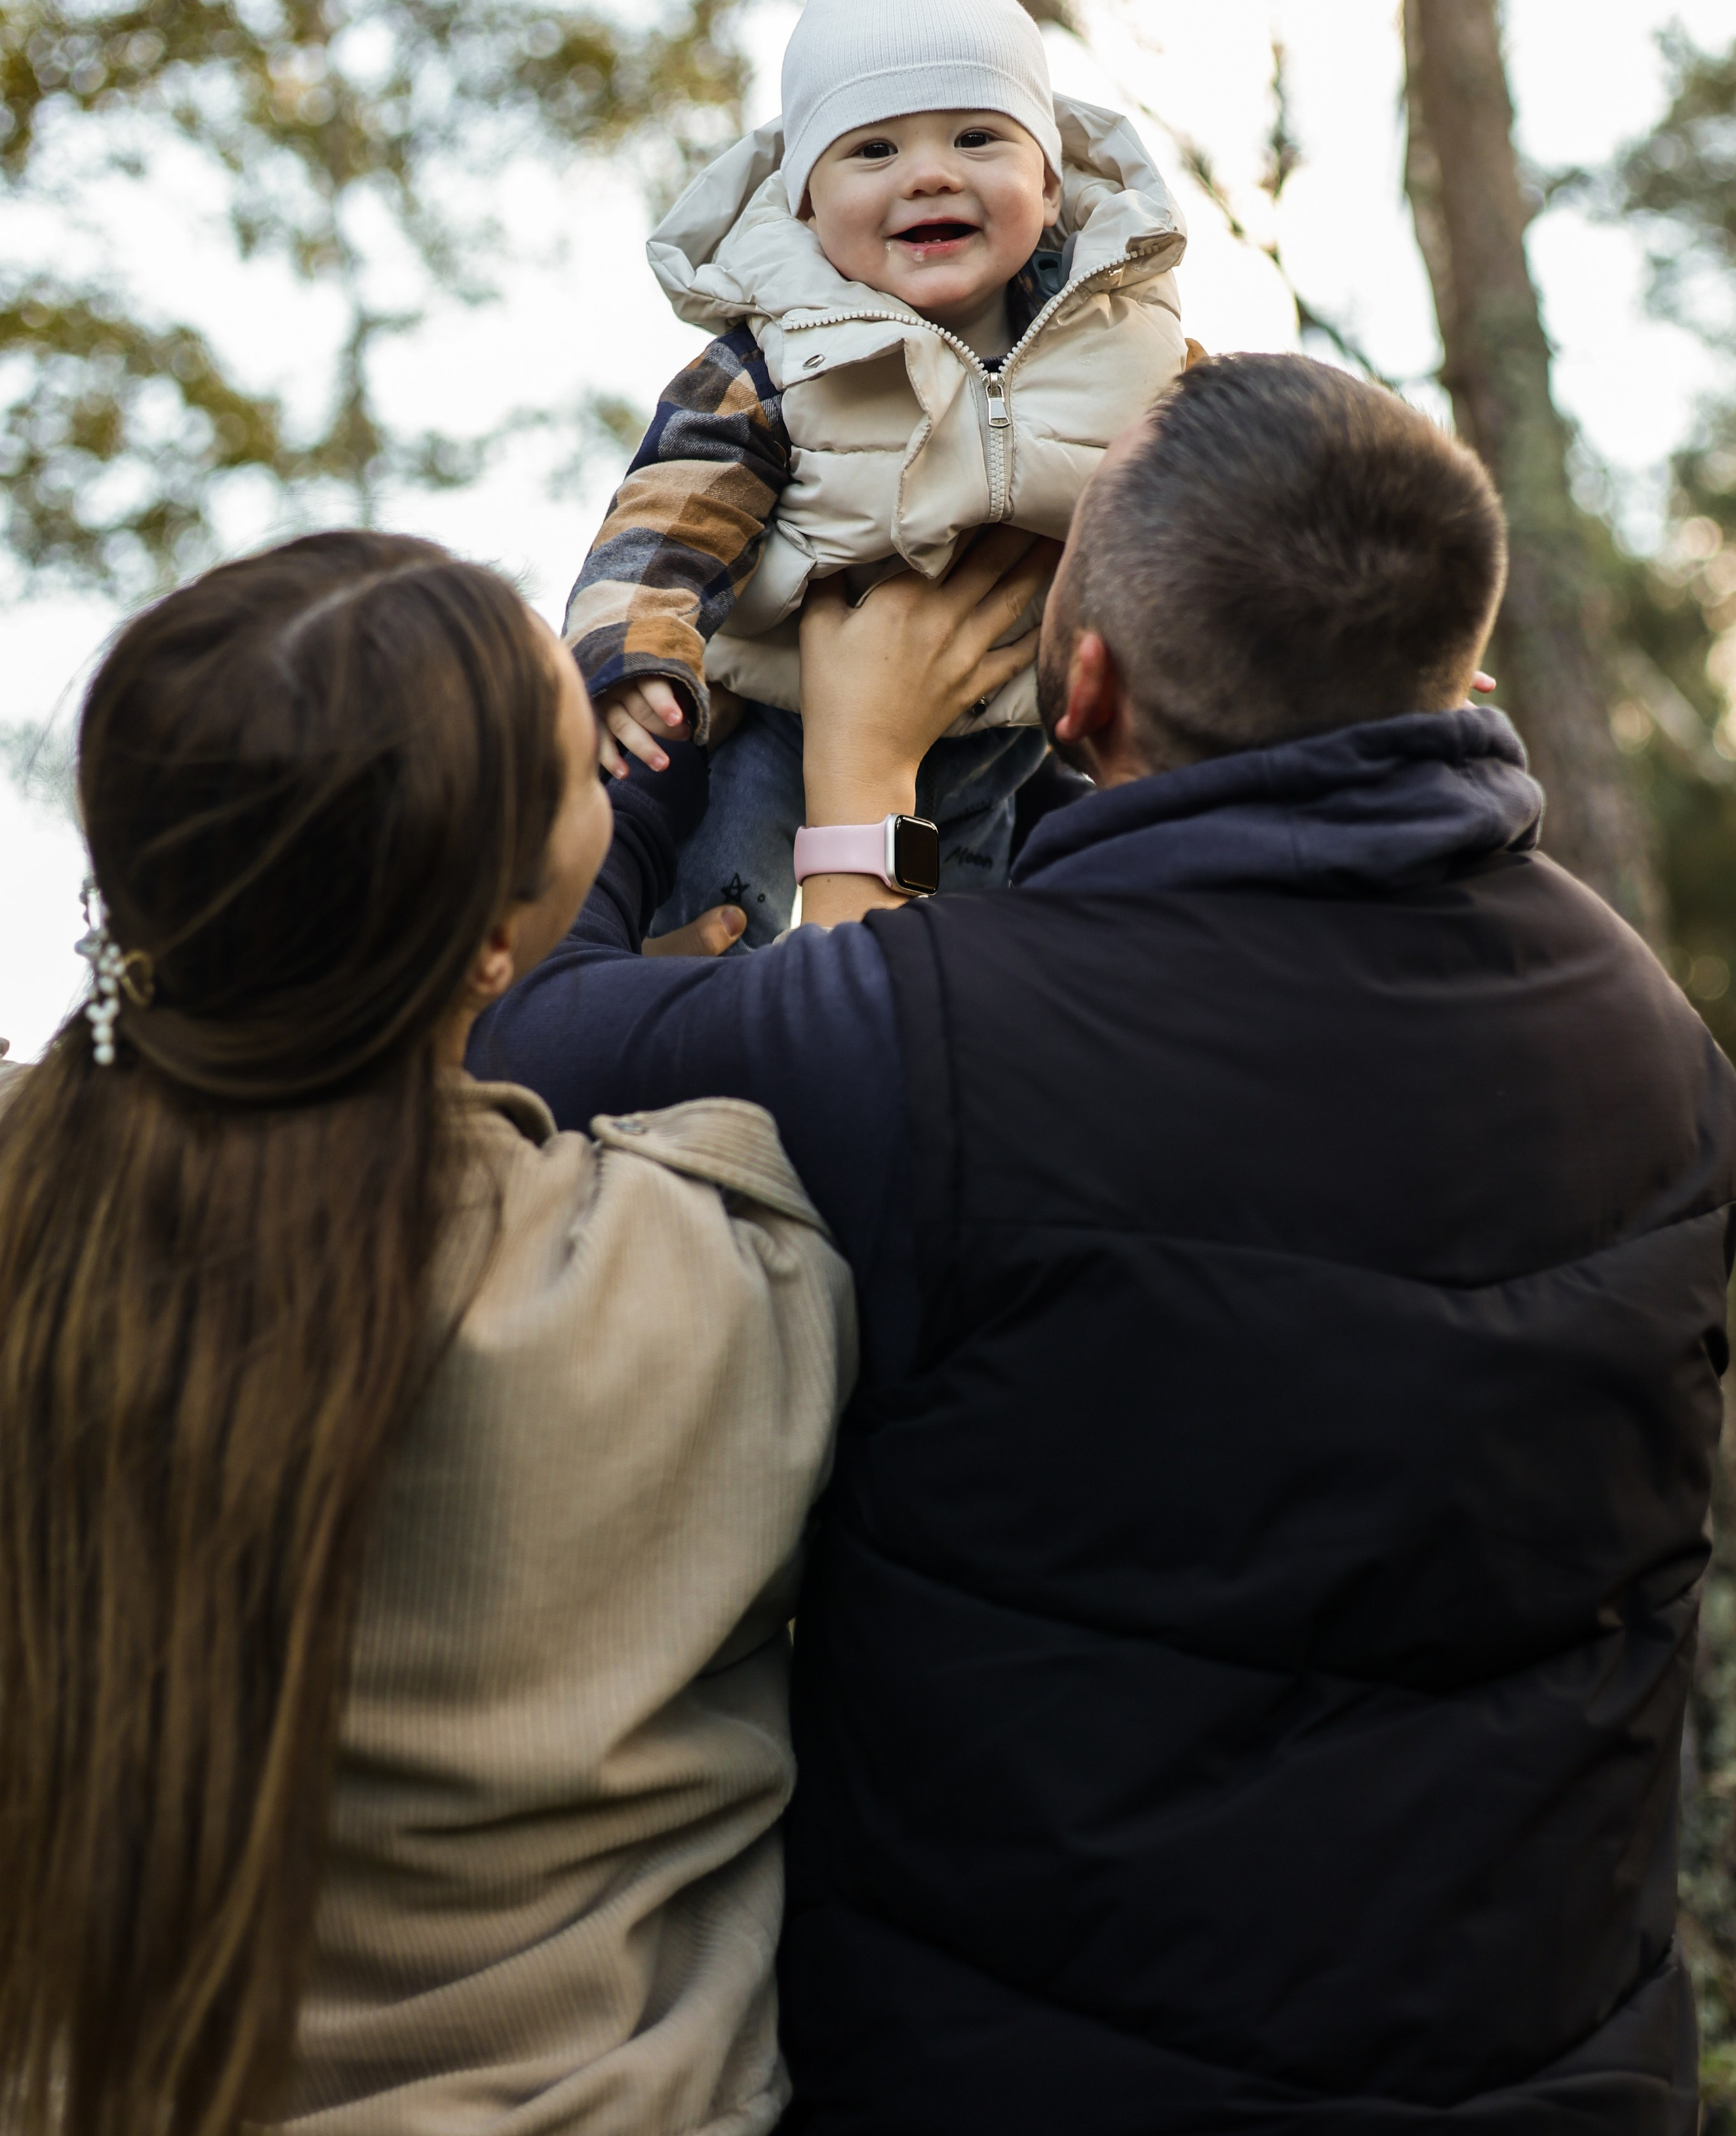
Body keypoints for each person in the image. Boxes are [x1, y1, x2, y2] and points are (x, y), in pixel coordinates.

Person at [475, 353, 1736, 2133]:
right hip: (1568, 2086)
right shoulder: (1653, 1043)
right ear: (1458, 665)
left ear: (1082, 686)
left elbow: (515, 1023)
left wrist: (838, 759)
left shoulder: (927, 1044)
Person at [0, 532, 854, 2136]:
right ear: (491, 945)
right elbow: (888, 1078)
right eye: (574, 749)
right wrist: (865, 783)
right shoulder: (693, 1278)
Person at [563, 0, 1193, 948]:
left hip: (1011, 727)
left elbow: (1250, 489)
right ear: (806, 202)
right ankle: (704, 993)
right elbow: (670, 508)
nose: (931, 175)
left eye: (978, 138)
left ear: (1049, 170)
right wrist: (629, 654)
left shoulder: (1123, 336)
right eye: (875, 149)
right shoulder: (781, 353)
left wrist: (1347, 625)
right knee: (735, 891)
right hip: (788, 705)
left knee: (988, 938)